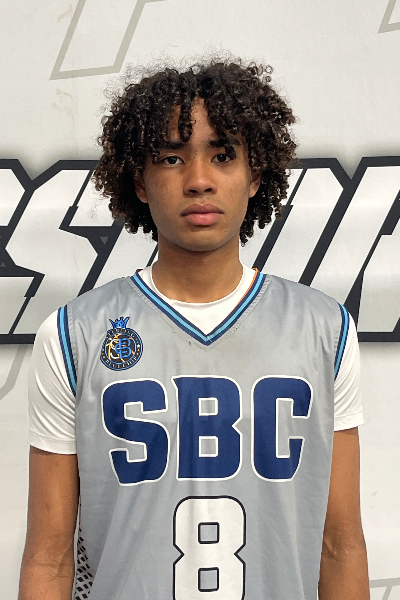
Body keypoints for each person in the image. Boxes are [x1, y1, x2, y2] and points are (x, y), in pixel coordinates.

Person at [19, 58, 369, 600]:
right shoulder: (74, 335)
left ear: (255, 176)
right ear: (140, 180)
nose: (199, 180)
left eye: (223, 155)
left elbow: (339, 546)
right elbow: (50, 556)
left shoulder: (326, 330)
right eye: (171, 157)